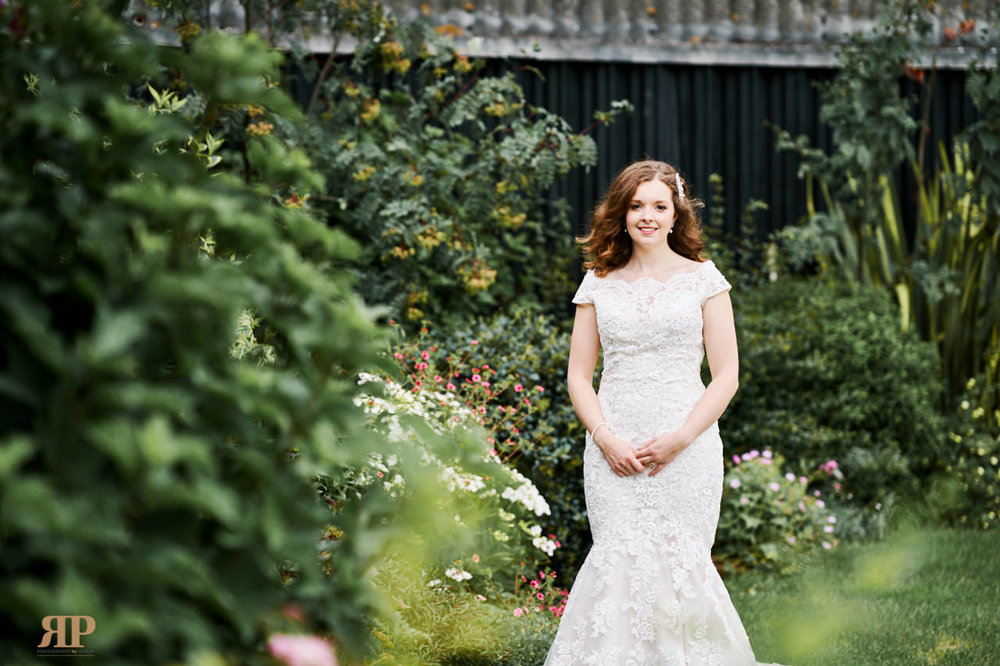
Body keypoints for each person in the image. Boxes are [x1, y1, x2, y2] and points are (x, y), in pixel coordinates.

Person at [544, 160, 769, 665]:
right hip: (613, 449)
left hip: (686, 451)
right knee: (618, 564)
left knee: (680, 566)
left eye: (659, 206)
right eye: (636, 205)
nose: (647, 215)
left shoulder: (705, 280)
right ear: (622, 214)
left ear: (676, 215)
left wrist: (682, 437)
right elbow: (579, 376)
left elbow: (727, 375)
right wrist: (604, 438)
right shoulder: (598, 283)